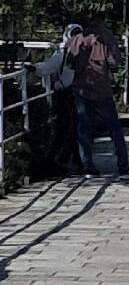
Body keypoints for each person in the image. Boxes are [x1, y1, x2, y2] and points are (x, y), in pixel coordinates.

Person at [66, 15, 129, 179]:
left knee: (84, 128)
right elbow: (114, 63)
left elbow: (69, 63)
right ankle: (123, 164)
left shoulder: (77, 39)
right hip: (101, 90)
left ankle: (87, 165)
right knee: (114, 128)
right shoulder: (106, 40)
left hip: (80, 89)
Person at [30, 24, 83, 174]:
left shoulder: (66, 52)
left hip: (70, 93)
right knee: (71, 127)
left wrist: (35, 68)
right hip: (71, 94)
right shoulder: (66, 53)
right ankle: (65, 159)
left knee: (69, 127)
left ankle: (63, 159)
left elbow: (48, 67)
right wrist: (35, 68)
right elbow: (48, 66)